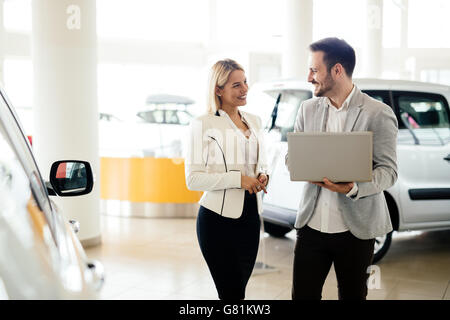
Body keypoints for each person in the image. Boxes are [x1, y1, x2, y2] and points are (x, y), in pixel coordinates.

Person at [286, 37, 398, 300]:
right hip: (311, 226)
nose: (309, 77)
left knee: (352, 296)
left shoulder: (377, 113)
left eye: (314, 70)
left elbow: (389, 171)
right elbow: (292, 158)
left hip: (355, 231)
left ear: (337, 70)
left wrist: (354, 187)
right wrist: (304, 166)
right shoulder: (307, 109)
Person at [185, 59, 269, 300]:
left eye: (245, 82)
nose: (244, 89)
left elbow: (260, 162)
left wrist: (264, 174)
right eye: (236, 85)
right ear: (218, 89)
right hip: (217, 222)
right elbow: (193, 179)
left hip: (251, 217)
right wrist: (238, 180)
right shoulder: (202, 124)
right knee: (231, 293)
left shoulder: (255, 121)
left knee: (239, 290)